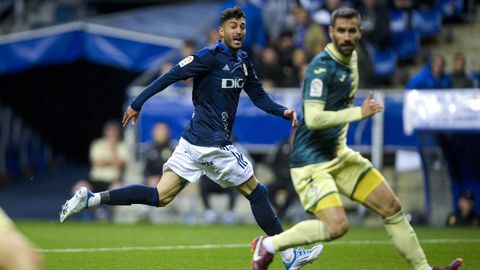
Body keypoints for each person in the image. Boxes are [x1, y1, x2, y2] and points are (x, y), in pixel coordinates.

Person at [60, 6, 322, 270]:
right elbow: (172, 74)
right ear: (221, 32)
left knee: (159, 196)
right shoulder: (209, 56)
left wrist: (283, 111)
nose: (239, 31)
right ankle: (289, 256)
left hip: (192, 142)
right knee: (258, 192)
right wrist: (138, 102)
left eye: (242, 26)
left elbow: (259, 97)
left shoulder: (243, 61)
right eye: (233, 26)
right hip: (211, 144)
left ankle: (91, 198)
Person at [251, 7, 463, 270]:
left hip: (338, 153)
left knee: (392, 207)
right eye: (341, 30)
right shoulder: (320, 68)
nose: (347, 36)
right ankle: (268, 246)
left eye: (352, 31)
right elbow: (314, 119)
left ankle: (424, 269)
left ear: (360, 32)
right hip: (311, 161)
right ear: (331, 32)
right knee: (337, 226)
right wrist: (358, 113)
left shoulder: (354, 58)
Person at [72, 120, 128, 220]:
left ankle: (113, 217)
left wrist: (113, 150)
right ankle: (98, 212)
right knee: (79, 188)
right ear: (106, 133)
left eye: (115, 133)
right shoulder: (97, 144)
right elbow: (96, 163)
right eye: (110, 132)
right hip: (95, 180)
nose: (112, 135)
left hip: (112, 181)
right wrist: (111, 162)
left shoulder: (122, 146)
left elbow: (120, 165)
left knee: (118, 189)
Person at [143, 122, 174, 187]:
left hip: (170, 181)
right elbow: (145, 171)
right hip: (153, 182)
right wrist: (150, 179)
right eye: (158, 130)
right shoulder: (149, 149)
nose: (161, 133)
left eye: (163, 130)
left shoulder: (173, 149)